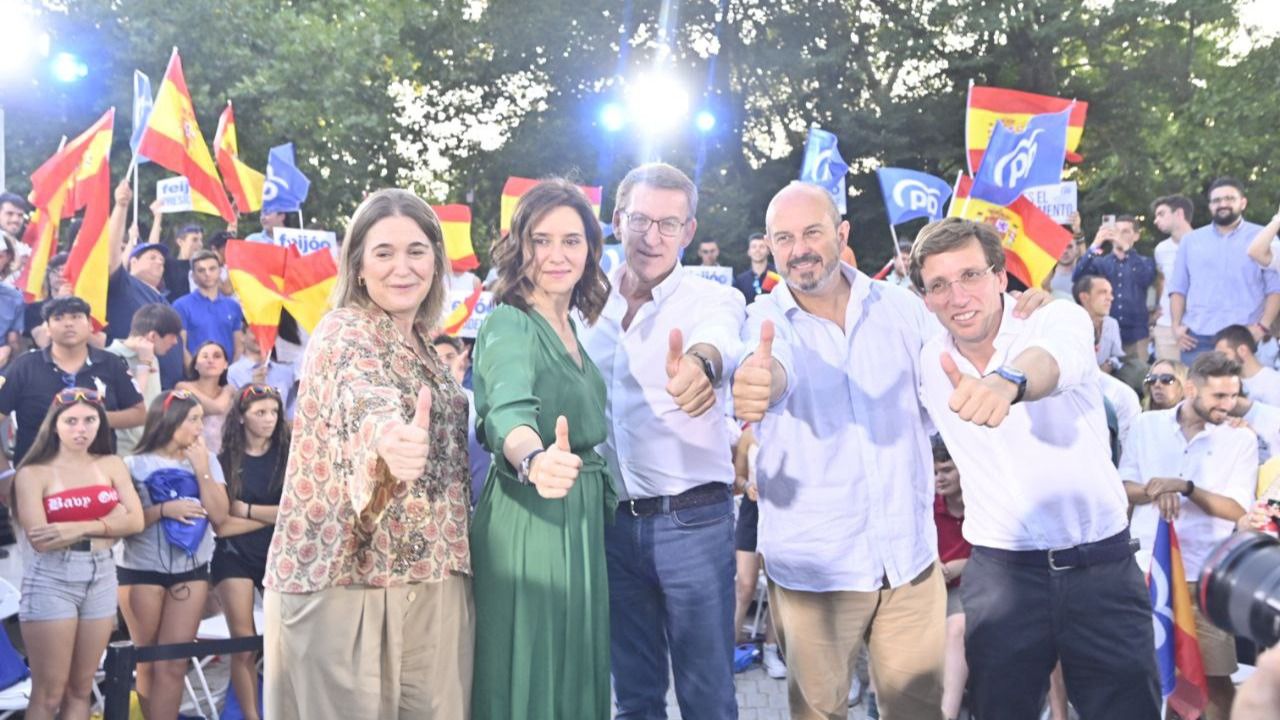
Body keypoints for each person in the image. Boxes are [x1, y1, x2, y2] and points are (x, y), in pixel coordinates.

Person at [909, 216, 1160, 719]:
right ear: (926, 299)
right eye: (939, 285)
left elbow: (1052, 359)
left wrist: (1007, 383)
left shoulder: (1054, 319)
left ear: (1001, 276)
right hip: (1003, 579)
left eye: (971, 276)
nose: (958, 296)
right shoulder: (928, 364)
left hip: (1101, 570)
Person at [263, 189, 473, 720]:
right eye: (384, 253)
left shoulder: (426, 343)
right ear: (357, 266)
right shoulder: (343, 331)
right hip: (345, 581)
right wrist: (388, 442)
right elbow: (364, 395)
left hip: (432, 575)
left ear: (436, 262)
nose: (402, 267)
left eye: (417, 251)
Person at [579, 163, 745, 719]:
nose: (652, 237)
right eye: (641, 220)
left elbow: (719, 343)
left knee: (707, 698)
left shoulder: (710, 300)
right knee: (634, 696)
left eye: (668, 224)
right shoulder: (584, 306)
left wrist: (701, 366)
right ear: (617, 220)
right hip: (612, 525)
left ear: (689, 232)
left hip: (693, 525)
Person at [470, 178, 613, 719]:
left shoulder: (571, 323)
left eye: (571, 240)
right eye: (541, 240)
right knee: (530, 672)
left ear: (589, 250)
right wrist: (534, 460)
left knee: (571, 666)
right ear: (519, 246)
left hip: (575, 516)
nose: (557, 255)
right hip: (531, 519)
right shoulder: (510, 323)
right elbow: (507, 410)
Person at [1121, 351, 1256, 719]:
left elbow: (1238, 509)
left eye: (1233, 396)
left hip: (1204, 577)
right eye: (1219, 397)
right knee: (1145, 673)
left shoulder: (1240, 440)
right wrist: (1155, 489)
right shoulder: (1147, 425)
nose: (1228, 405)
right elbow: (1121, 487)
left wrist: (1185, 487)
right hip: (1146, 570)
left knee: (1213, 682)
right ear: (1192, 389)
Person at [117, 389, 259, 720]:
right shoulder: (132, 463)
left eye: (201, 419)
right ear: (169, 421)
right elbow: (129, 523)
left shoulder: (207, 460)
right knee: (149, 657)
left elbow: (220, 517)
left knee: (175, 659)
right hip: (142, 569)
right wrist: (165, 509)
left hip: (191, 569)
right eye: (193, 419)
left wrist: (202, 470)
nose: (200, 427)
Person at [14, 388, 144, 720]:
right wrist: (107, 521)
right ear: (53, 425)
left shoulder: (111, 463)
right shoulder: (33, 473)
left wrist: (76, 528)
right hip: (52, 577)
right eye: (70, 421)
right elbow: (42, 539)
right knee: (49, 693)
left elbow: (135, 520)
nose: (81, 429)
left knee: (81, 688)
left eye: (89, 420)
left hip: (101, 573)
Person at [0, 296, 146, 476]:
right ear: (47, 328)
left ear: (90, 325)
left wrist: (90, 419)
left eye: (76, 317)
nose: (68, 323)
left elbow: (140, 413)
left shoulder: (111, 363)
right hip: (37, 475)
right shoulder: (24, 366)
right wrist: (4, 473)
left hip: (97, 474)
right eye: (59, 318)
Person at [214, 384, 289, 720]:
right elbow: (221, 525)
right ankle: (250, 716)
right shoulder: (226, 459)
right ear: (242, 417)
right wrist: (270, 516)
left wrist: (245, 510)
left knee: (285, 641)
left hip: (280, 551)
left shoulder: (288, 454)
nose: (269, 419)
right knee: (243, 644)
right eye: (260, 412)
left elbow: (295, 510)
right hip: (234, 553)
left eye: (274, 411)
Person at [1170, 177, 1280, 364]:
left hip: (1245, 336)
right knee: (1196, 392)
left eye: (1229, 198)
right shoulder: (1191, 241)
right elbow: (1178, 287)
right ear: (1210, 206)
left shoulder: (1262, 238)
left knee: (1245, 393)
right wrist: (1175, 326)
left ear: (1242, 202)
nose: (1223, 204)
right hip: (1197, 337)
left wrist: (1262, 327)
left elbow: (1275, 289)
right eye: (1216, 200)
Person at [105, 179, 185, 389]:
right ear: (132, 261)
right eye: (152, 257)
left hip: (167, 394)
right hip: (133, 391)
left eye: (161, 259)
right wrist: (121, 207)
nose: (159, 261)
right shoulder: (123, 285)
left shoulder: (163, 301)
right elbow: (110, 254)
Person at [731, 425, 785, 679]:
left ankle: (771, 649)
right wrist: (748, 484)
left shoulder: (791, 430)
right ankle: (727, 644)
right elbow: (735, 477)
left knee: (778, 588)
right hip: (752, 512)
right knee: (745, 585)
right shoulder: (749, 434)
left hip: (783, 513)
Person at [1073, 214, 1156, 376]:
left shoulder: (1145, 261)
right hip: (1106, 335)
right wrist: (1096, 244)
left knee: (1139, 379)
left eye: (1125, 232)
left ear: (1136, 236)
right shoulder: (1101, 262)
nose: (1119, 235)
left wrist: (1127, 248)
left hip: (1136, 336)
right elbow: (1077, 277)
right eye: (1116, 231)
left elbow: (1145, 277)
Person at [105, 304, 184, 455]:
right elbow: (132, 402)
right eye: (172, 336)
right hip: (124, 453)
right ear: (153, 336)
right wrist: (144, 365)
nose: (175, 342)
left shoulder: (151, 357)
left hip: (153, 449)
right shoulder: (109, 358)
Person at [931, 436, 972, 720]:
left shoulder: (981, 506)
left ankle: (948, 713)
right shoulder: (927, 504)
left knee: (958, 626)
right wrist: (935, 565)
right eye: (934, 472)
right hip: (931, 587)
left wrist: (964, 565)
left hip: (973, 590)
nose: (939, 478)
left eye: (946, 470)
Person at [173, 249, 243, 362]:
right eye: (201, 270)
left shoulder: (233, 306)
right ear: (193, 276)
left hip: (227, 374)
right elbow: (181, 347)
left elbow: (239, 346)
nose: (207, 274)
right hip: (196, 374)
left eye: (212, 268)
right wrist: (192, 374)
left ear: (220, 272)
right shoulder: (181, 306)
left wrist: (231, 375)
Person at [1151, 195, 1195, 362]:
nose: (1156, 220)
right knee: (1167, 379)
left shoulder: (1205, 244)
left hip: (1196, 328)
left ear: (1179, 213)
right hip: (1165, 327)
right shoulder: (1161, 249)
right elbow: (1161, 281)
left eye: (1161, 214)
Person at [227, 328, 297, 421]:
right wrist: (255, 388)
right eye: (254, 332)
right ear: (243, 336)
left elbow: (291, 413)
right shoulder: (233, 372)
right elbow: (236, 412)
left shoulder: (286, 371)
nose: (260, 336)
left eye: (266, 332)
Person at [176, 341, 234, 453]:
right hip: (188, 455)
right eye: (204, 356)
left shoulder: (230, 397)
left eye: (217, 356)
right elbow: (217, 408)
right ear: (196, 365)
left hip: (222, 458)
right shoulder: (182, 388)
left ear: (226, 364)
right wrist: (228, 390)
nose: (210, 360)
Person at [1073, 274, 1128, 381]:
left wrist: (1110, 363)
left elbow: (1118, 356)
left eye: (1110, 293)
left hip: (1105, 382)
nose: (1110, 298)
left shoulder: (1112, 324)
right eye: (1103, 292)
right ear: (1084, 297)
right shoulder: (1072, 324)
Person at [1213, 324, 1280, 406]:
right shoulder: (1225, 382)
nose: (1219, 360)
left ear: (1242, 350)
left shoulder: (1274, 383)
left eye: (1223, 354)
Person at [732, 232, 774, 304]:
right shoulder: (741, 280)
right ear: (749, 252)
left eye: (762, 246)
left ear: (768, 251)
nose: (757, 250)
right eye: (754, 247)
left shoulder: (778, 275)